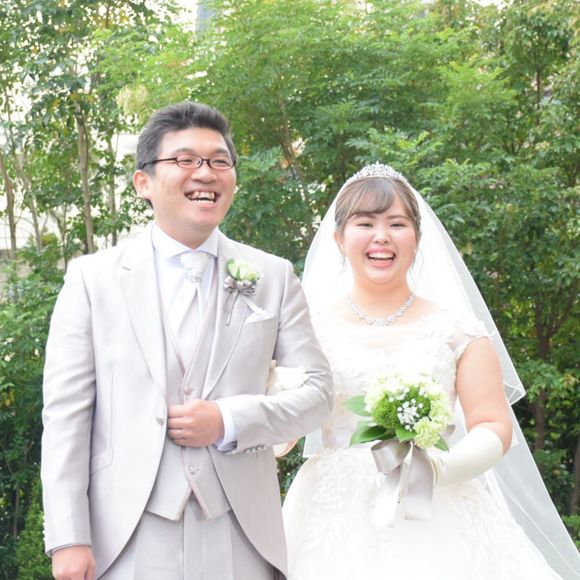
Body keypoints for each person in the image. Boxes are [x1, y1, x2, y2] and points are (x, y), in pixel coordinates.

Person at [41, 101, 333, 580]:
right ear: (144, 182)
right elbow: (66, 416)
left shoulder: (273, 277)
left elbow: (318, 395)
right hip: (125, 533)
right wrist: (70, 538)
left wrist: (227, 420)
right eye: (184, 160)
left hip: (241, 530)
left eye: (219, 160)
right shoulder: (92, 280)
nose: (205, 173)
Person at [282, 163, 580, 579]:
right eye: (365, 223)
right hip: (329, 509)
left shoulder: (459, 333)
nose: (381, 236)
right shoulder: (304, 332)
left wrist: (440, 470)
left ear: (417, 238)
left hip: (440, 502)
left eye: (397, 224)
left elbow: (493, 424)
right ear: (339, 238)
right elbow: (282, 431)